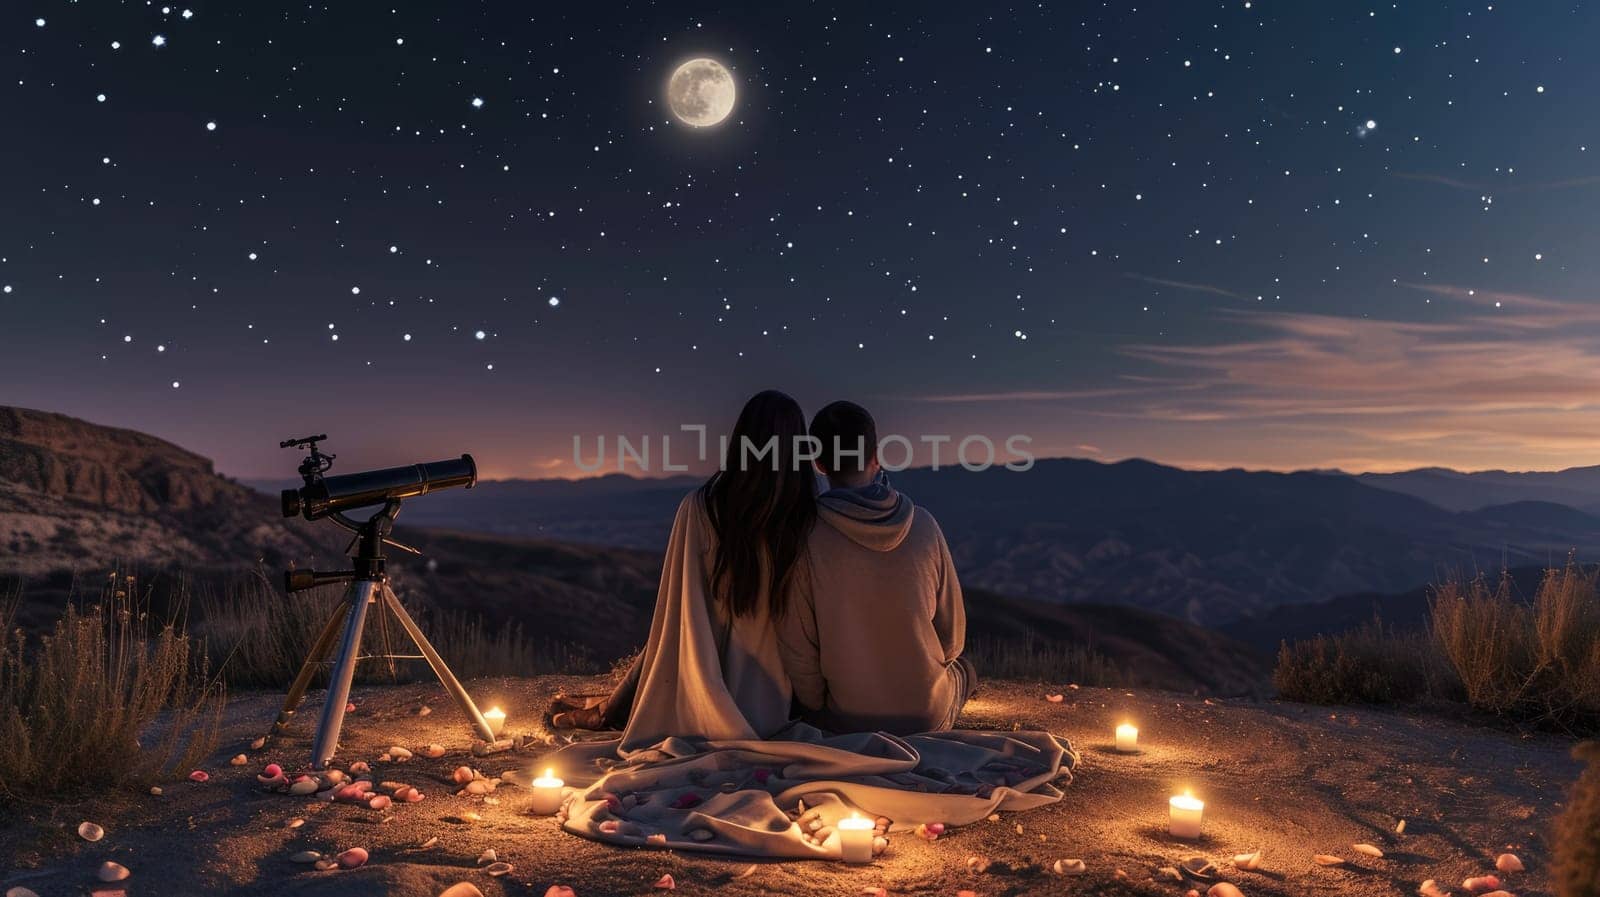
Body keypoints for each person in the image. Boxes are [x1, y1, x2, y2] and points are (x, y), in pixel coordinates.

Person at [551, 390, 817, 751]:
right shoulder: (809, 516)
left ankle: (609, 710)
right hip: (780, 688)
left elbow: (680, 608)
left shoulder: (703, 507)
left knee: (670, 630)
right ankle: (609, 708)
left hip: (711, 669)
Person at [777, 400, 974, 734]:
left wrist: (820, 707)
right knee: (966, 671)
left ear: (820, 463)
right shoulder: (924, 526)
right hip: (925, 717)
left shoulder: (804, 540)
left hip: (846, 721)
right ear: (876, 454)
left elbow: (800, 653)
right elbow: (952, 641)